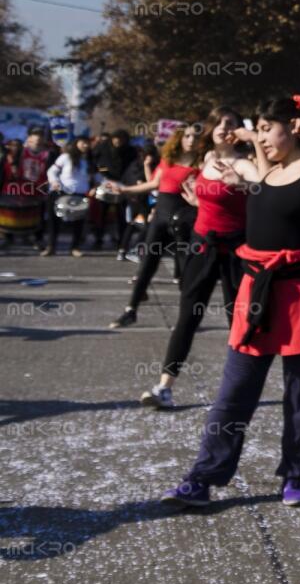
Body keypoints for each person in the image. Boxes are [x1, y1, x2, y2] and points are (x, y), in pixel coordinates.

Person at [161, 95, 300, 507]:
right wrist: (229, 185)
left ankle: (294, 476)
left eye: (265, 128)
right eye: (256, 129)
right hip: (255, 290)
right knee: (234, 392)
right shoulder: (268, 171)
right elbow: (257, 184)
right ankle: (203, 477)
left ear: (294, 129)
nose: (259, 136)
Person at [139, 106, 260, 409]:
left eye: (230, 122)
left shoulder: (244, 164)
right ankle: (164, 387)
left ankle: (238, 390)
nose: (222, 126)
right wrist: (197, 200)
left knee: (238, 320)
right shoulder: (206, 160)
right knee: (187, 317)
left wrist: (242, 182)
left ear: (238, 130)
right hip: (201, 246)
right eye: (217, 122)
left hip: (234, 251)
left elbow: (266, 188)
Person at [108, 125, 202, 327]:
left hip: (184, 222)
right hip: (159, 220)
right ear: (179, 138)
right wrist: (124, 190)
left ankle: (187, 317)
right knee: (146, 265)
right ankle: (130, 310)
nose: (191, 140)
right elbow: (152, 184)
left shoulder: (201, 164)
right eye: (187, 136)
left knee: (185, 272)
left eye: (195, 136)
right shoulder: (167, 161)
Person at [43, 137, 96, 257]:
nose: (85, 146)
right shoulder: (66, 157)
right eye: (83, 143)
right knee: (54, 221)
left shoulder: (90, 160)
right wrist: (54, 182)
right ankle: (51, 246)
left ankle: (75, 247)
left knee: (78, 222)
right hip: (60, 192)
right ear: (76, 144)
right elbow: (51, 171)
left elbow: (97, 176)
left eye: (87, 143)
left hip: (80, 194)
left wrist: (96, 186)